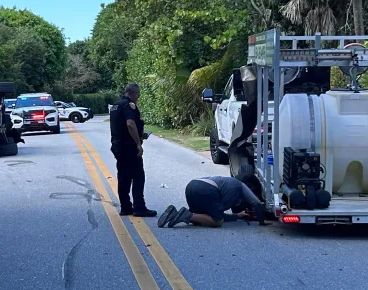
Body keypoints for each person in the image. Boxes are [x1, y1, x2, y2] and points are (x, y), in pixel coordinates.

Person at [109, 83, 156, 217]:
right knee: (138, 176)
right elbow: (130, 124)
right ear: (133, 93)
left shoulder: (115, 106)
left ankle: (125, 207)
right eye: (138, 95)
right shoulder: (129, 106)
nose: (138, 98)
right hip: (129, 147)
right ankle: (139, 207)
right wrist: (138, 144)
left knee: (123, 176)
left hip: (118, 146)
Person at [158, 176, 268, 228]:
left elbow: (217, 213)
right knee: (217, 222)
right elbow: (256, 203)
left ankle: (174, 214)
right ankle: (186, 215)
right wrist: (262, 222)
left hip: (191, 186)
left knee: (202, 219)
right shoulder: (241, 186)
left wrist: (238, 216)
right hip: (206, 189)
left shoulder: (228, 185)